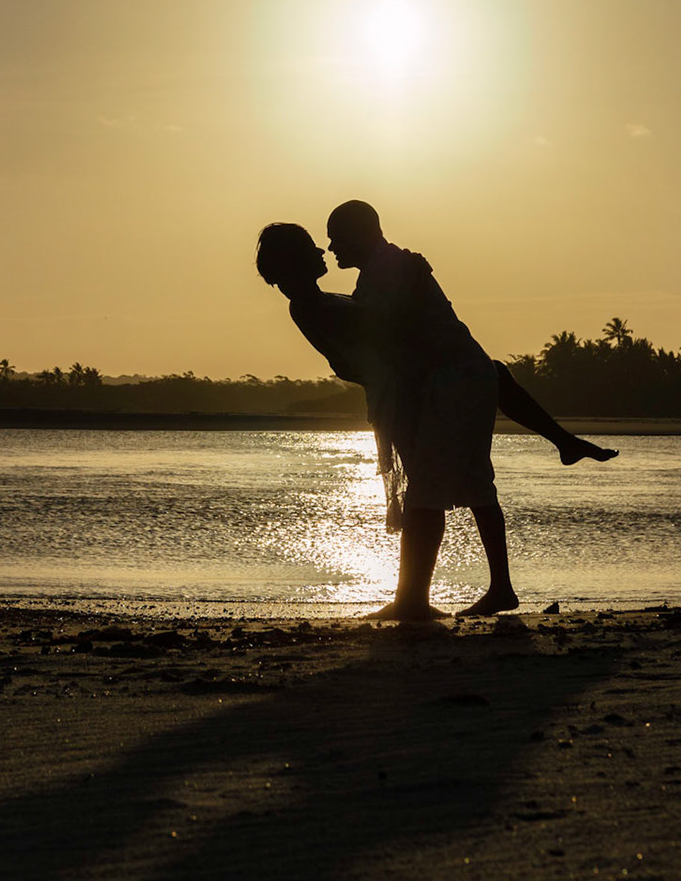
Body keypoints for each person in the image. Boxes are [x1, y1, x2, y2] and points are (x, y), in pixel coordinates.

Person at [257, 217, 616, 620]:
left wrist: (415, 281)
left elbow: (380, 324)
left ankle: (422, 598)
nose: (325, 249)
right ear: (291, 263)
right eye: (313, 246)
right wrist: (416, 280)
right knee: (456, 479)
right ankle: (434, 595)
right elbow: (377, 327)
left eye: (332, 240)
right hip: (420, 389)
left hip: (433, 387)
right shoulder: (316, 303)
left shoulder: (350, 290)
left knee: (443, 486)